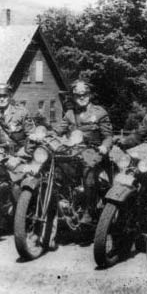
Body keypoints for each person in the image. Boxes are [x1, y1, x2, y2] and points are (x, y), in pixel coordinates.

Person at [52, 80, 113, 224]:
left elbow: (108, 136)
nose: (81, 97)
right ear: (73, 97)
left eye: (84, 94)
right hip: (74, 152)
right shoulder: (69, 114)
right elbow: (57, 131)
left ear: (89, 95)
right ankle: (64, 204)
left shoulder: (99, 113)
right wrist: (43, 134)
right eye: (78, 95)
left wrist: (105, 146)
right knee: (57, 169)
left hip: (94, 152)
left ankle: (89, 210)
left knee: (89, 174)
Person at [0, 83, 35, 154]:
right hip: (2, 157)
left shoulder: (21, 113)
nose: (2, 99)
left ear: (10, 96)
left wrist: (20, 155)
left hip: (22, 156)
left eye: (5, 96)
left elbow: (33, 137)